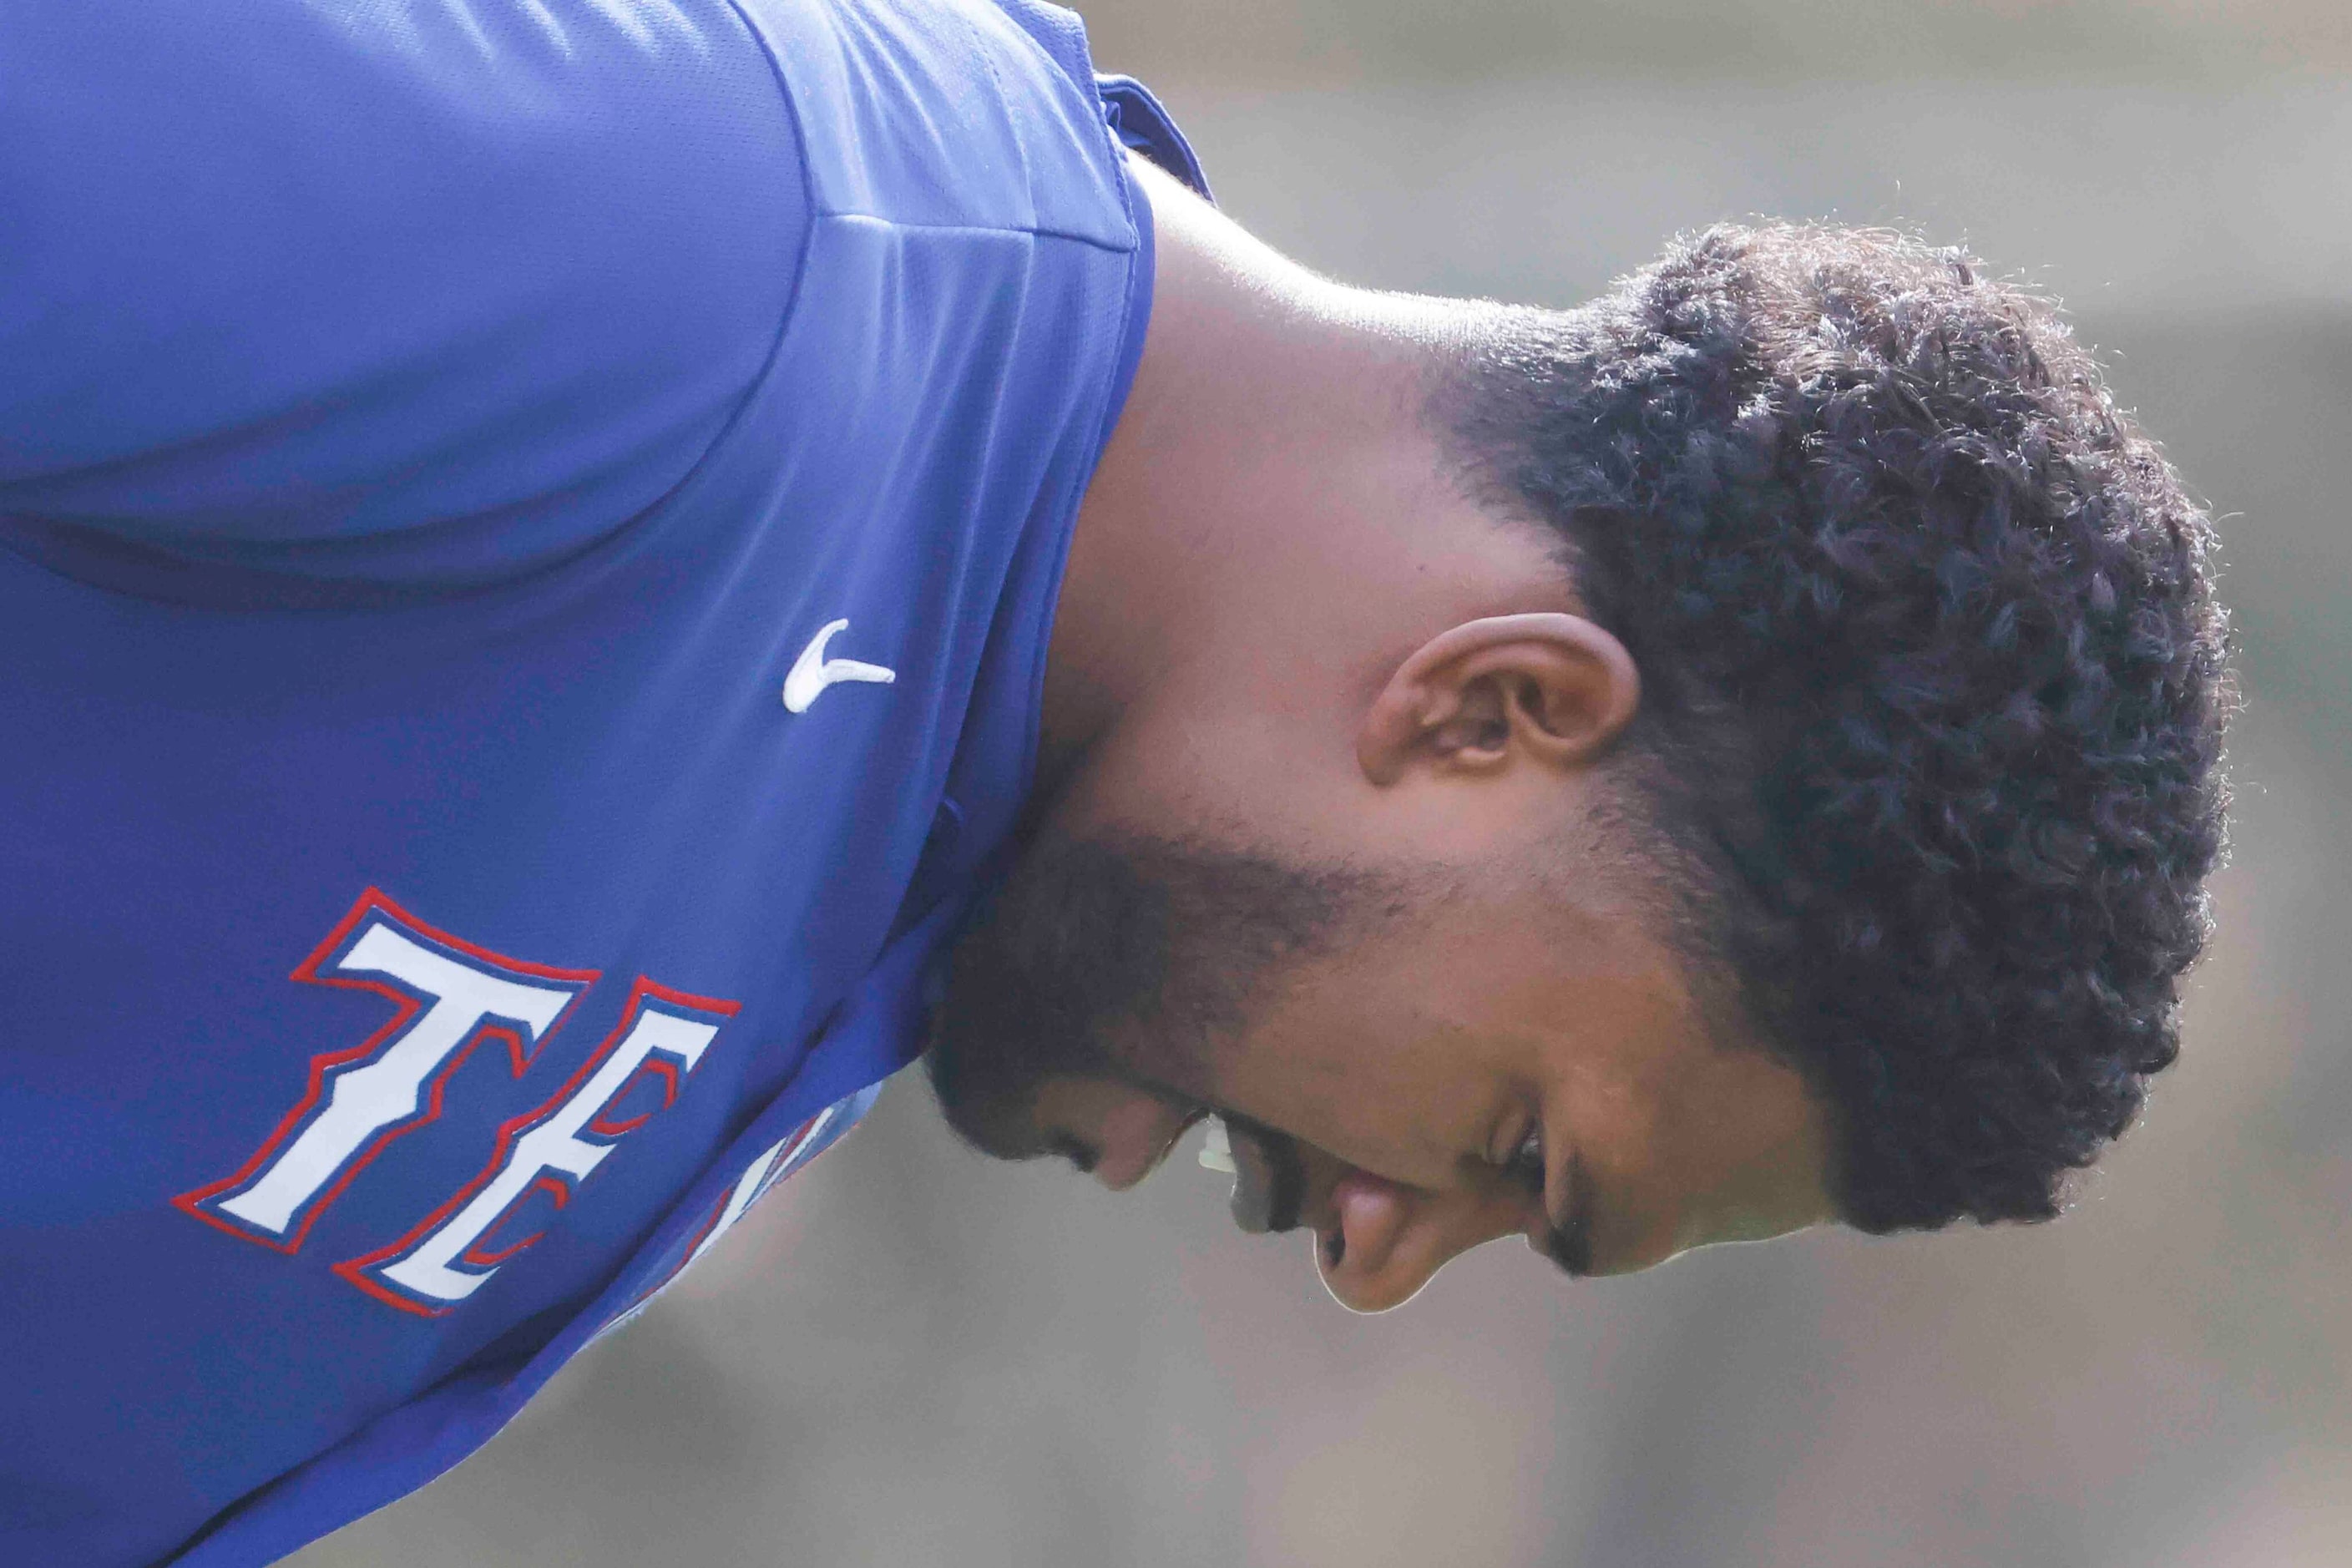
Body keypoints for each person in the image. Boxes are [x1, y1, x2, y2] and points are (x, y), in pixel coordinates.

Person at [0, 0, 2227, 1563]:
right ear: (1489, 713)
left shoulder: (952, 800)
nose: (1370, 1261)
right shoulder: (699, 261)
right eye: (1506, 1154)